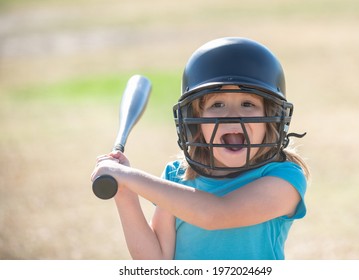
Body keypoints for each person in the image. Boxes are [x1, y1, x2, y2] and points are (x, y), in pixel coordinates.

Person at [91, 37, 310, 260]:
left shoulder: (284, 177)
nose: (232, 116)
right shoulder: (177, 178)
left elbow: (217, 214)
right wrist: (124, 190)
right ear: (195, 119)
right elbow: (155, 263)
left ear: (271, 118)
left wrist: (129, 176)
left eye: (248, 104)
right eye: (217, 105)